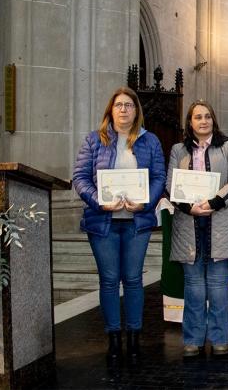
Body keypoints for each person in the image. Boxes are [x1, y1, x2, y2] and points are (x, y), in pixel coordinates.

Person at [72, 87, 166, 361]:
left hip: (137, 221)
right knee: (110, 280)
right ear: (110, 110)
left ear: (137, 110)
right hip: (104, 222)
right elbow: (80, 178)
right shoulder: (94, 140)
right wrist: (100, 202)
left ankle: (135, 336)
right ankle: (113, 337)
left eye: (129, 105)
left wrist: (145, 203)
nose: (124, 109)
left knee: (134, 279)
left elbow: (159, 177)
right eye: (119, 105)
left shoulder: (150, 141)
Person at [167, 101, 228, 357]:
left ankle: (221, 338)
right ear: (190, 122)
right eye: (198, 117)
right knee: (193, 285)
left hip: (220, 221)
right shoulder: (178, 149)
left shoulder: (226, 146)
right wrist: (189, 207)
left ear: (214, 120)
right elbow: (171, 184)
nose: (203, 121)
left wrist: (214, 202)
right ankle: (193, 339)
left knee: (218, 284)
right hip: (188, 223)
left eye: (208, 116)